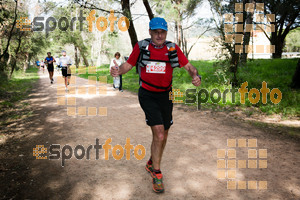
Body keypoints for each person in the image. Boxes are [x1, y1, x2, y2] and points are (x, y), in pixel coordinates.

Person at [110, 17, 201, 193]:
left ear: (166, 33)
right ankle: (156, 172)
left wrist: (195, 76)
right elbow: (128, 65)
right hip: (147, 94)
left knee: (164, 134)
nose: (159, 35)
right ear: (150, 32)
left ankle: (152, 160)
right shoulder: (142, 47)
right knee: (159, 133)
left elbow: (189, 66)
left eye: (162, 32)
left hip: (166, 95)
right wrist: (117, 70)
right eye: (156, 31)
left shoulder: (172, 48)